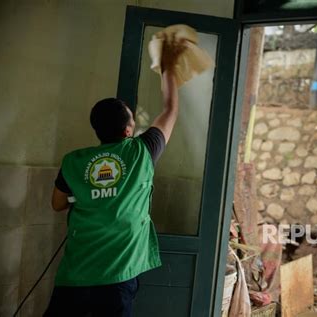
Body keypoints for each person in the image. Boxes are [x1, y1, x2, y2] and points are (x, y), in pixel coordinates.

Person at [44, 35, 185, 317]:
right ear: (128, 130)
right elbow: (170, 109)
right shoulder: (141, 152)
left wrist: (87, 194)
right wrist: (167, 64)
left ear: (97, 130)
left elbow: (57, 204)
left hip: (75, 276)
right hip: (117, 278)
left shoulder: (74, 161)